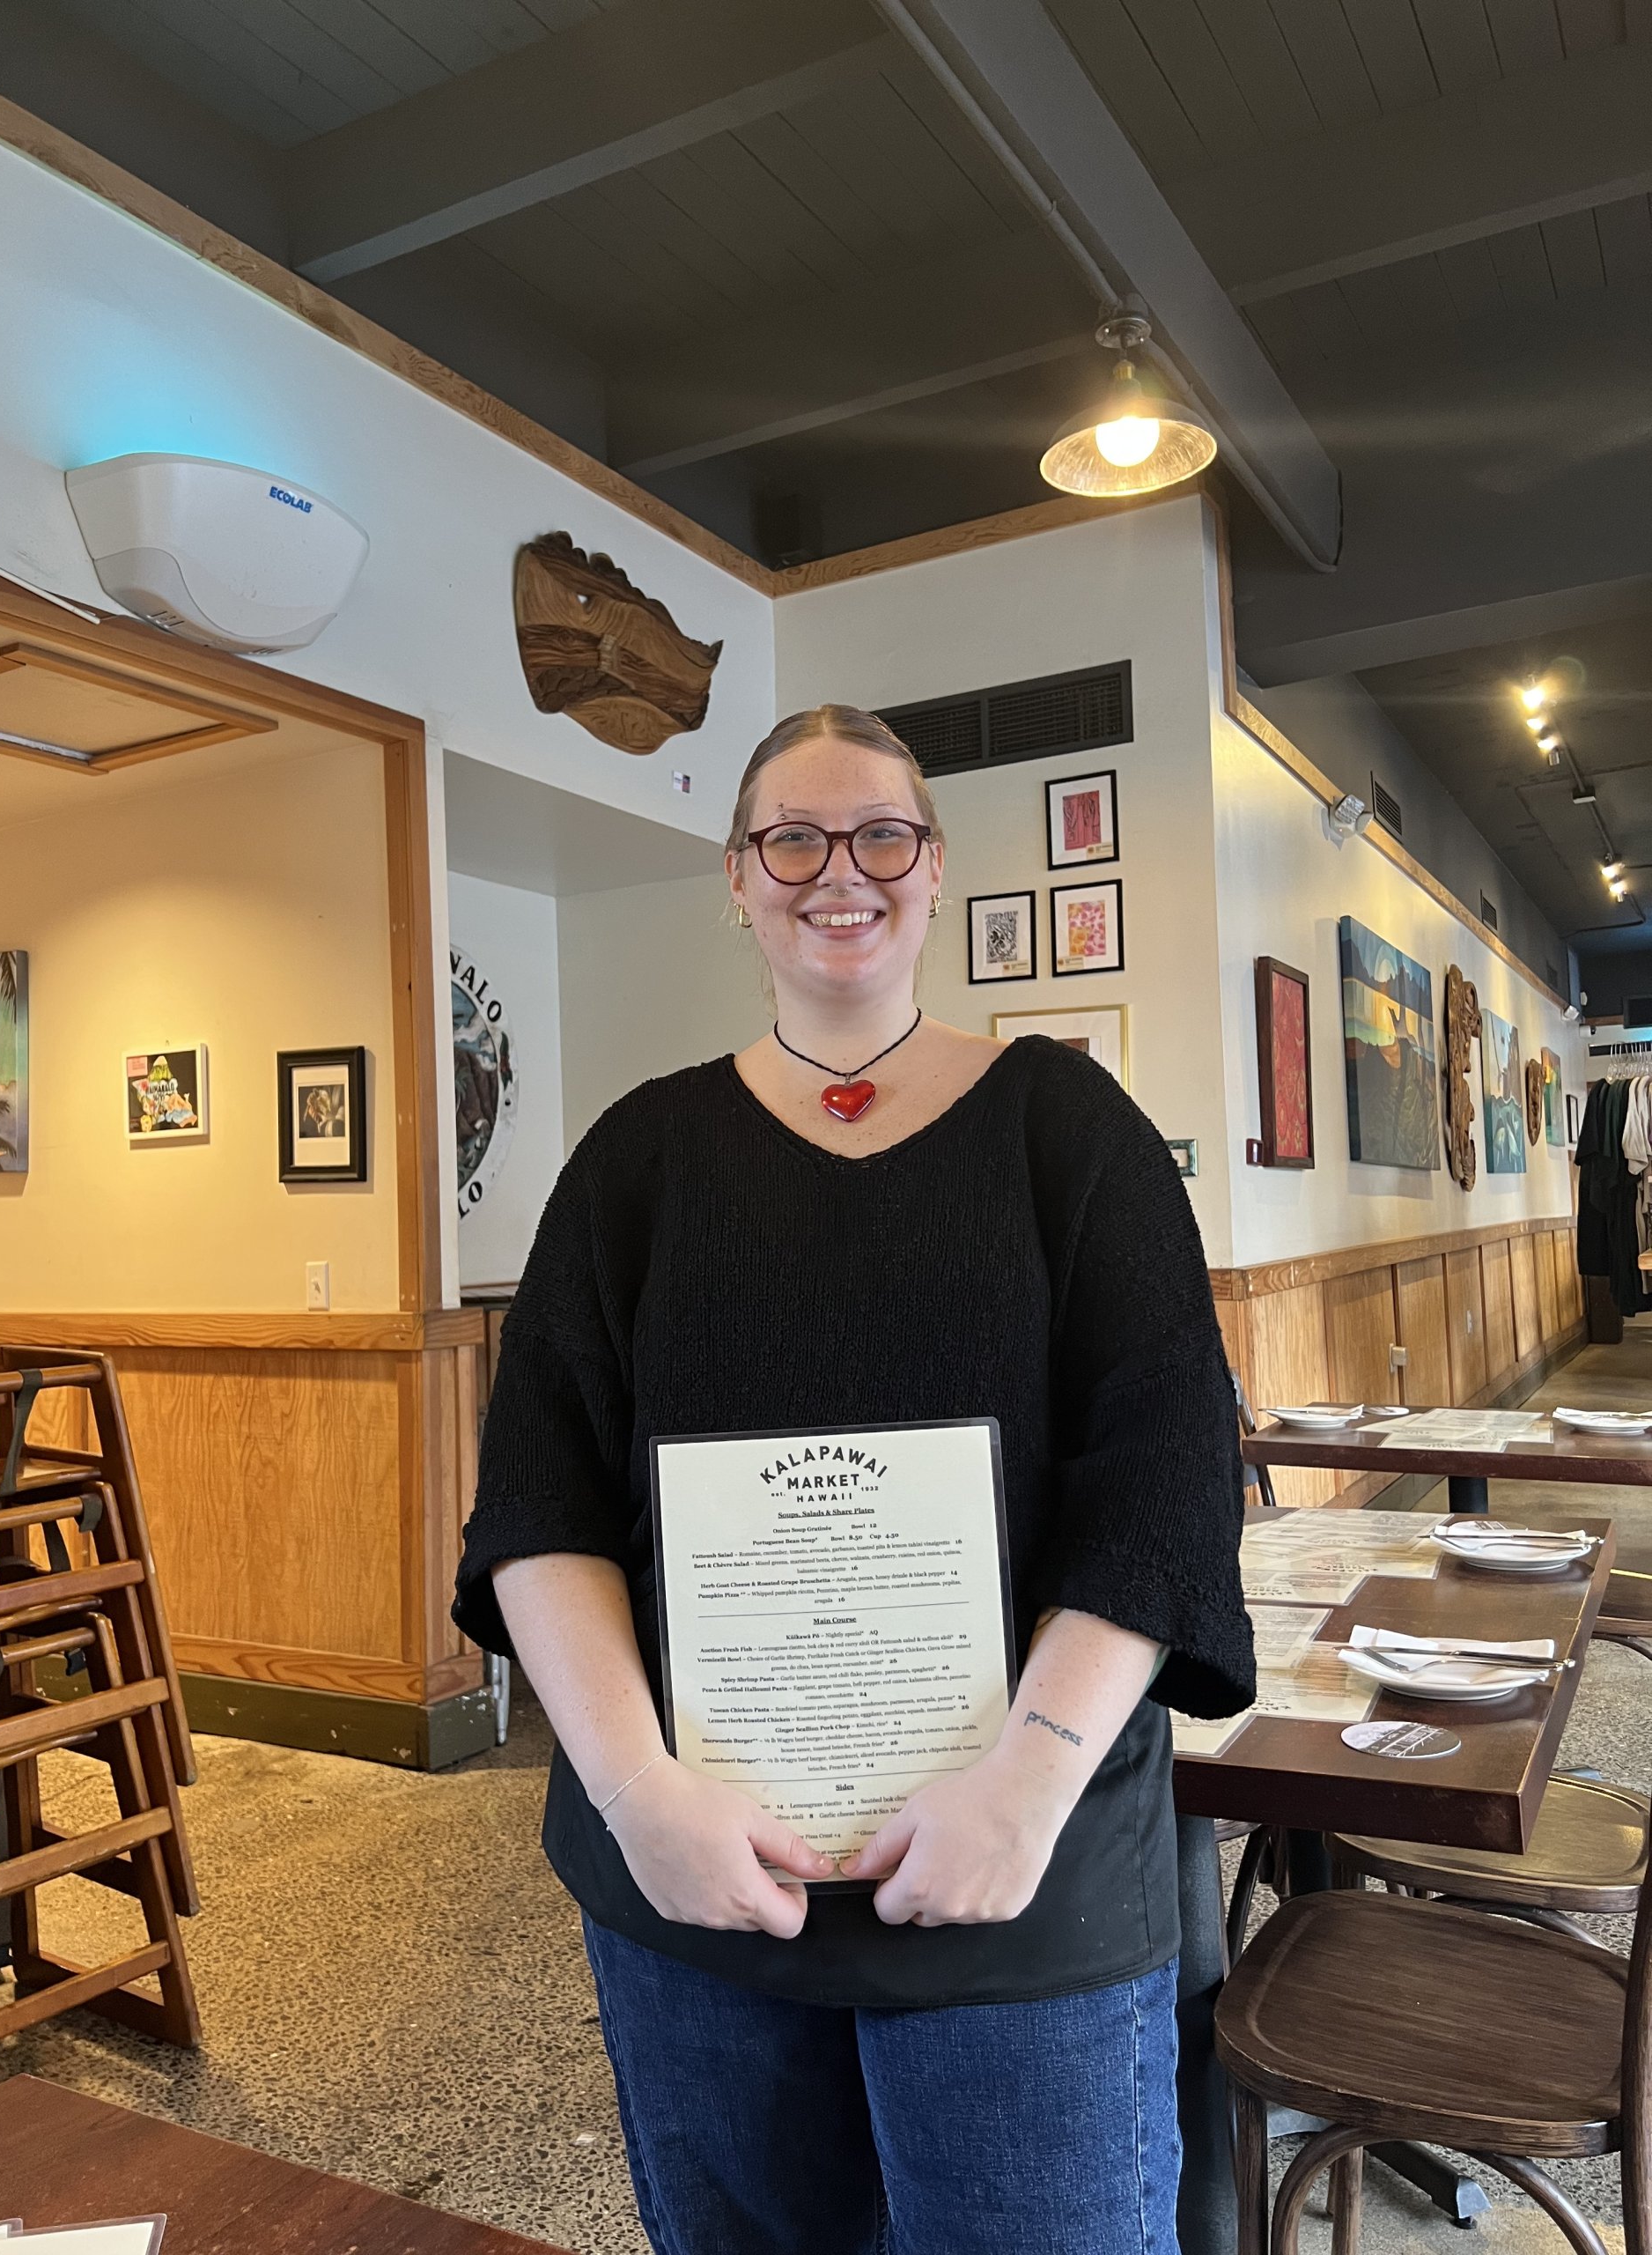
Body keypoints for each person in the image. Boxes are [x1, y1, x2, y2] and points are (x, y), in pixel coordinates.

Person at [454, 704, 1254, 2255]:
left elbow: (1162, 1485)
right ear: (737, 879)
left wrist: (1025, 1785)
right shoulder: (637, 1160)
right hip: (697, 1878)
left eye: (883, 833)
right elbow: (540, 1507)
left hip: (1030, 1873)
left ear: (936, 868)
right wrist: (636, 1798)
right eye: (793, 838)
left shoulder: (1068, 1132)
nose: (843, 871)